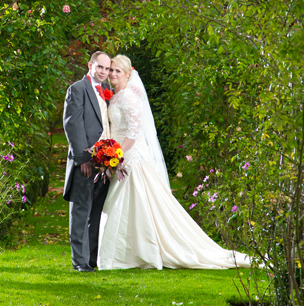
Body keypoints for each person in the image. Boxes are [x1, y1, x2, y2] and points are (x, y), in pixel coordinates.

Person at [97, 54, 250, 269]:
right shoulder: (115, 96)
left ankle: (141, 251)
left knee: (138, 201)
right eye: (111, 70)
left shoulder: (130, 96)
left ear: (128, 74)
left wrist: (116, 153)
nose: (112, 74)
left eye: (117, 71)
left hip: (130, 155)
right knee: (124, 203)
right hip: (120, 155)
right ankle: (125, 251)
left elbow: (133, 131)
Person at [62, 51, 112, 272]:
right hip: (86, 161)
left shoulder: (105, 93)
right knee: (81, 211)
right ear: (90, 65)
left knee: (95, 213)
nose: (103, 71)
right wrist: (83, 158)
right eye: (100, 67)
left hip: (103, 163)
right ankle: (79, 262)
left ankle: (91, 260)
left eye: (107, 68)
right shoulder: (77, 89)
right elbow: (73, 124)